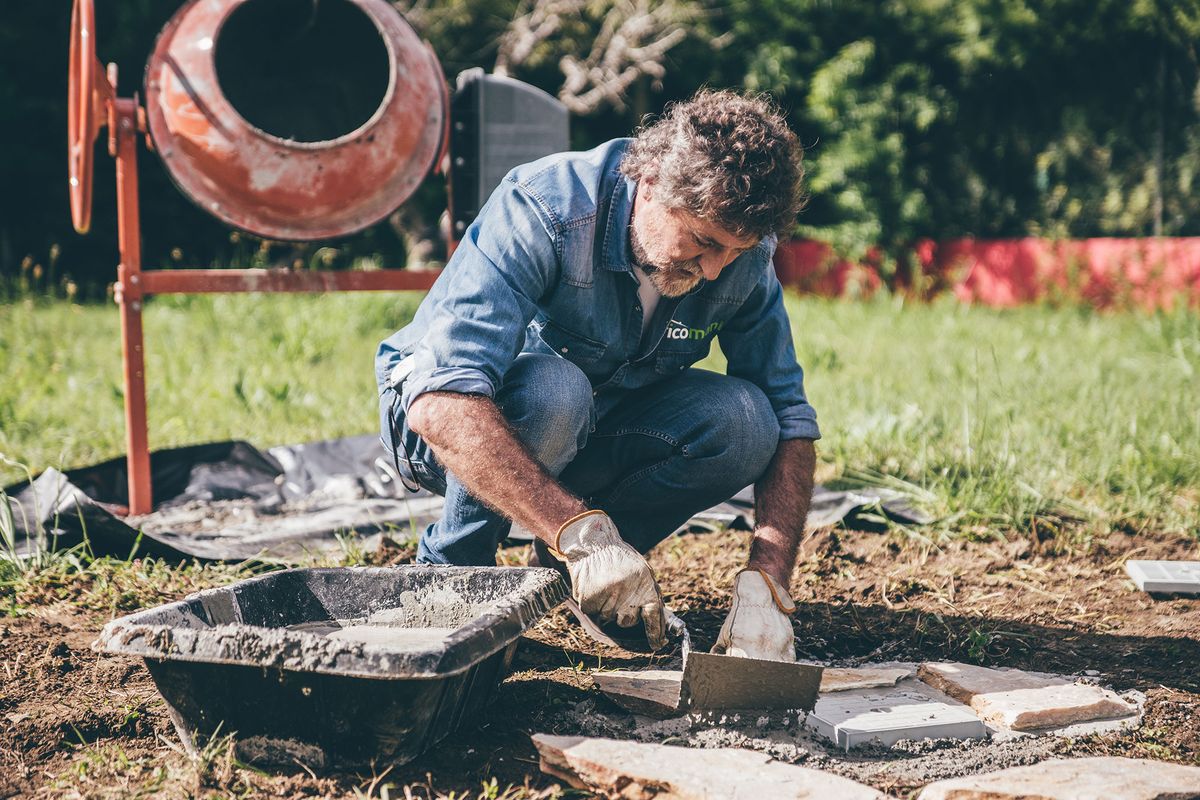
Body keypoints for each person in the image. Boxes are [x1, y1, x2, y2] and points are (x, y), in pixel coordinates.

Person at [376, 89, 819, 661]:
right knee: (555, 392)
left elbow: (788, 415)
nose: (714, 270)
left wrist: (770, 580)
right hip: (449, 429)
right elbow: (442, 398)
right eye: (705, 242)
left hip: (592, 424)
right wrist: (579, 534)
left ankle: (580, 581)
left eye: (736, 252)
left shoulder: (742, 259)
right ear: (653, 181)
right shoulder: (547, 207)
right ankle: (453, 574)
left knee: (746, 421)